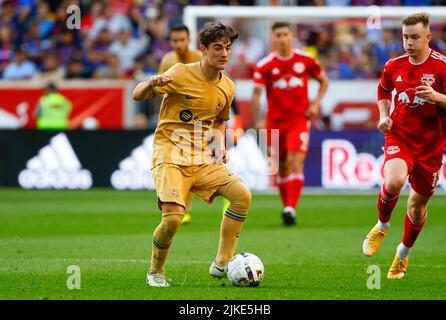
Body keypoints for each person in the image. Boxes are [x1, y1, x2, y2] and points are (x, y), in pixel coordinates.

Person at [132, 22, 252, 287]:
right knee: (173, 218)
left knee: (242, 195)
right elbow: (136, 95)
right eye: (218, 47)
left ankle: (222, 262)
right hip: (169, 153)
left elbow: (220, 121)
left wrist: (219, 144)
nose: (224, 53)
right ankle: (156, 271)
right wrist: (150, 84)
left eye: (228, 48)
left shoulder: (228, 87)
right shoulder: (179, 72)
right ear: (203, 49)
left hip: (200, 157)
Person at [362, 13, 446, 279]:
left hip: (431, 146)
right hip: (400, 136)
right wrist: (384, 116)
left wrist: (435, 97)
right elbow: (383, 91)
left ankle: (402, 254)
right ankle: (381, 225)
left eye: (414, 37)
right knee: (394, 181)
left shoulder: (443, 67)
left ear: (427, 38)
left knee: (416, 207)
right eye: (405, 37)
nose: (409, 43)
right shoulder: (393, 66)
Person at [251, 22, 329, 226]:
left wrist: (315, 104)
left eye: (285, 34)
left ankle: (291, 208)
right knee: (282, 166)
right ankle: (287, 207)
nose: (282, 38)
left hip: (298, 119)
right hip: (275, 122)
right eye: (278, 35)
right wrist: (259, 119)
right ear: (273, 38)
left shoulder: (306, 60)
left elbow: (324, 81)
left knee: (296, 160)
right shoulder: (264, 65)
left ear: (291, 36)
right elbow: (256, 94)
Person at [157, 24, 203, 225]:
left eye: (182, 40)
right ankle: (172, 202)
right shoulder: (167, 60)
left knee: (190, 166)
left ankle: (184, 208)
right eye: (175, 40)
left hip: (196, 121)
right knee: (171, 164)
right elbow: (159, 89)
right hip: (173, 121)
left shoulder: (200, 60)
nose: (178, 44)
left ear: (189, 40)